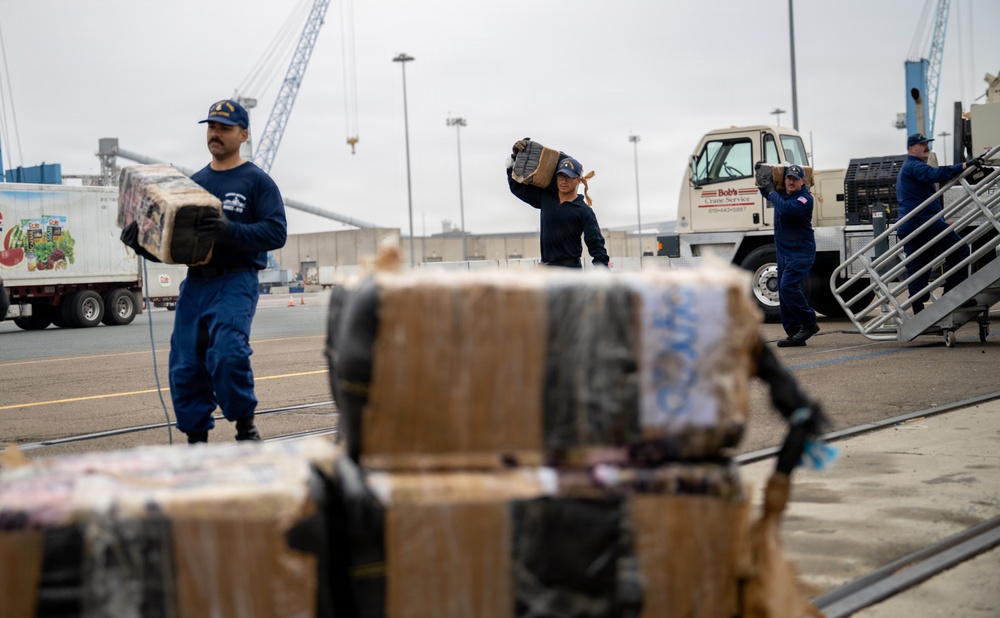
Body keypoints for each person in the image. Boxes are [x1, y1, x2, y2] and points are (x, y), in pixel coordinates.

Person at [121, 99, 287, 443]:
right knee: (185, 366)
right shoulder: (192, 185)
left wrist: (231, 231)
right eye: (211, 127)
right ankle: (196, 442)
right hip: (195, 285)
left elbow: (276, 232)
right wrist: (141, 244)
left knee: (227, 352)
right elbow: (174, 246)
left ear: (243, 134)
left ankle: (245, 425)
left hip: (235, 281)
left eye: (224, 128)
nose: (215, 133)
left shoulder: (257, 182)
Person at [896, 132, 977, 314]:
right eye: (922, 144)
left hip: (912, 225)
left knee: (919, 266)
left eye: (927, 143)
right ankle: (953, 295)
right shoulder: (914, 166)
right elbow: (935, 174)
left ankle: (917, 308)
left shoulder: (909, 167)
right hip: (924, 222)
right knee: (960, 250)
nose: (927, 147)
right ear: (911, 149)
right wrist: (964, 165)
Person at [507, 140, 610, 268]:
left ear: (578, 180)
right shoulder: (546, 199)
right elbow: (517, 188)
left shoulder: (583, 210)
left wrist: (603, 272)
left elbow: (596, 243)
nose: (563, 181)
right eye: (560, 176)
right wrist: (514, 158)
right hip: (546, 270)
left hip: (570, 271)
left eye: (569, 177)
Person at [759, 164, 820, 347]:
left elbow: (785, 209)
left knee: (788, 287)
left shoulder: (804, 199)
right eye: (788, 178)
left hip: (800, 252)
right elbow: (768, 194)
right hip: (784, 252)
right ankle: (793, 333)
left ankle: (809, 323)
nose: (791, 182)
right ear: (784, 180)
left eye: (795, 179)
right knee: (783, 292)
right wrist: (762, 181)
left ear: (802, 181)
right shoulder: (783, 195)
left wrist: (770, 191)